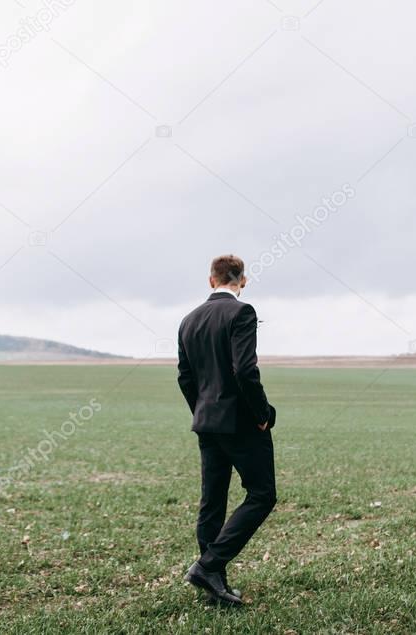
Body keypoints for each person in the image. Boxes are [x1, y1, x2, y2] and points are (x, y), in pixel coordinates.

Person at [177, 254, 277, 606]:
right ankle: (209, 566)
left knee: (213, 501)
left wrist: (203, 409)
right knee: (263, 494)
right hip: (241, 423)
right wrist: (262, 413)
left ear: (211, 281)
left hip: (207, 423)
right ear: (243, 280)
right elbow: (245, 371)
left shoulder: (188, 320)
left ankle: (213, 586)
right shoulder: (241, 312)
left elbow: (185, 377)